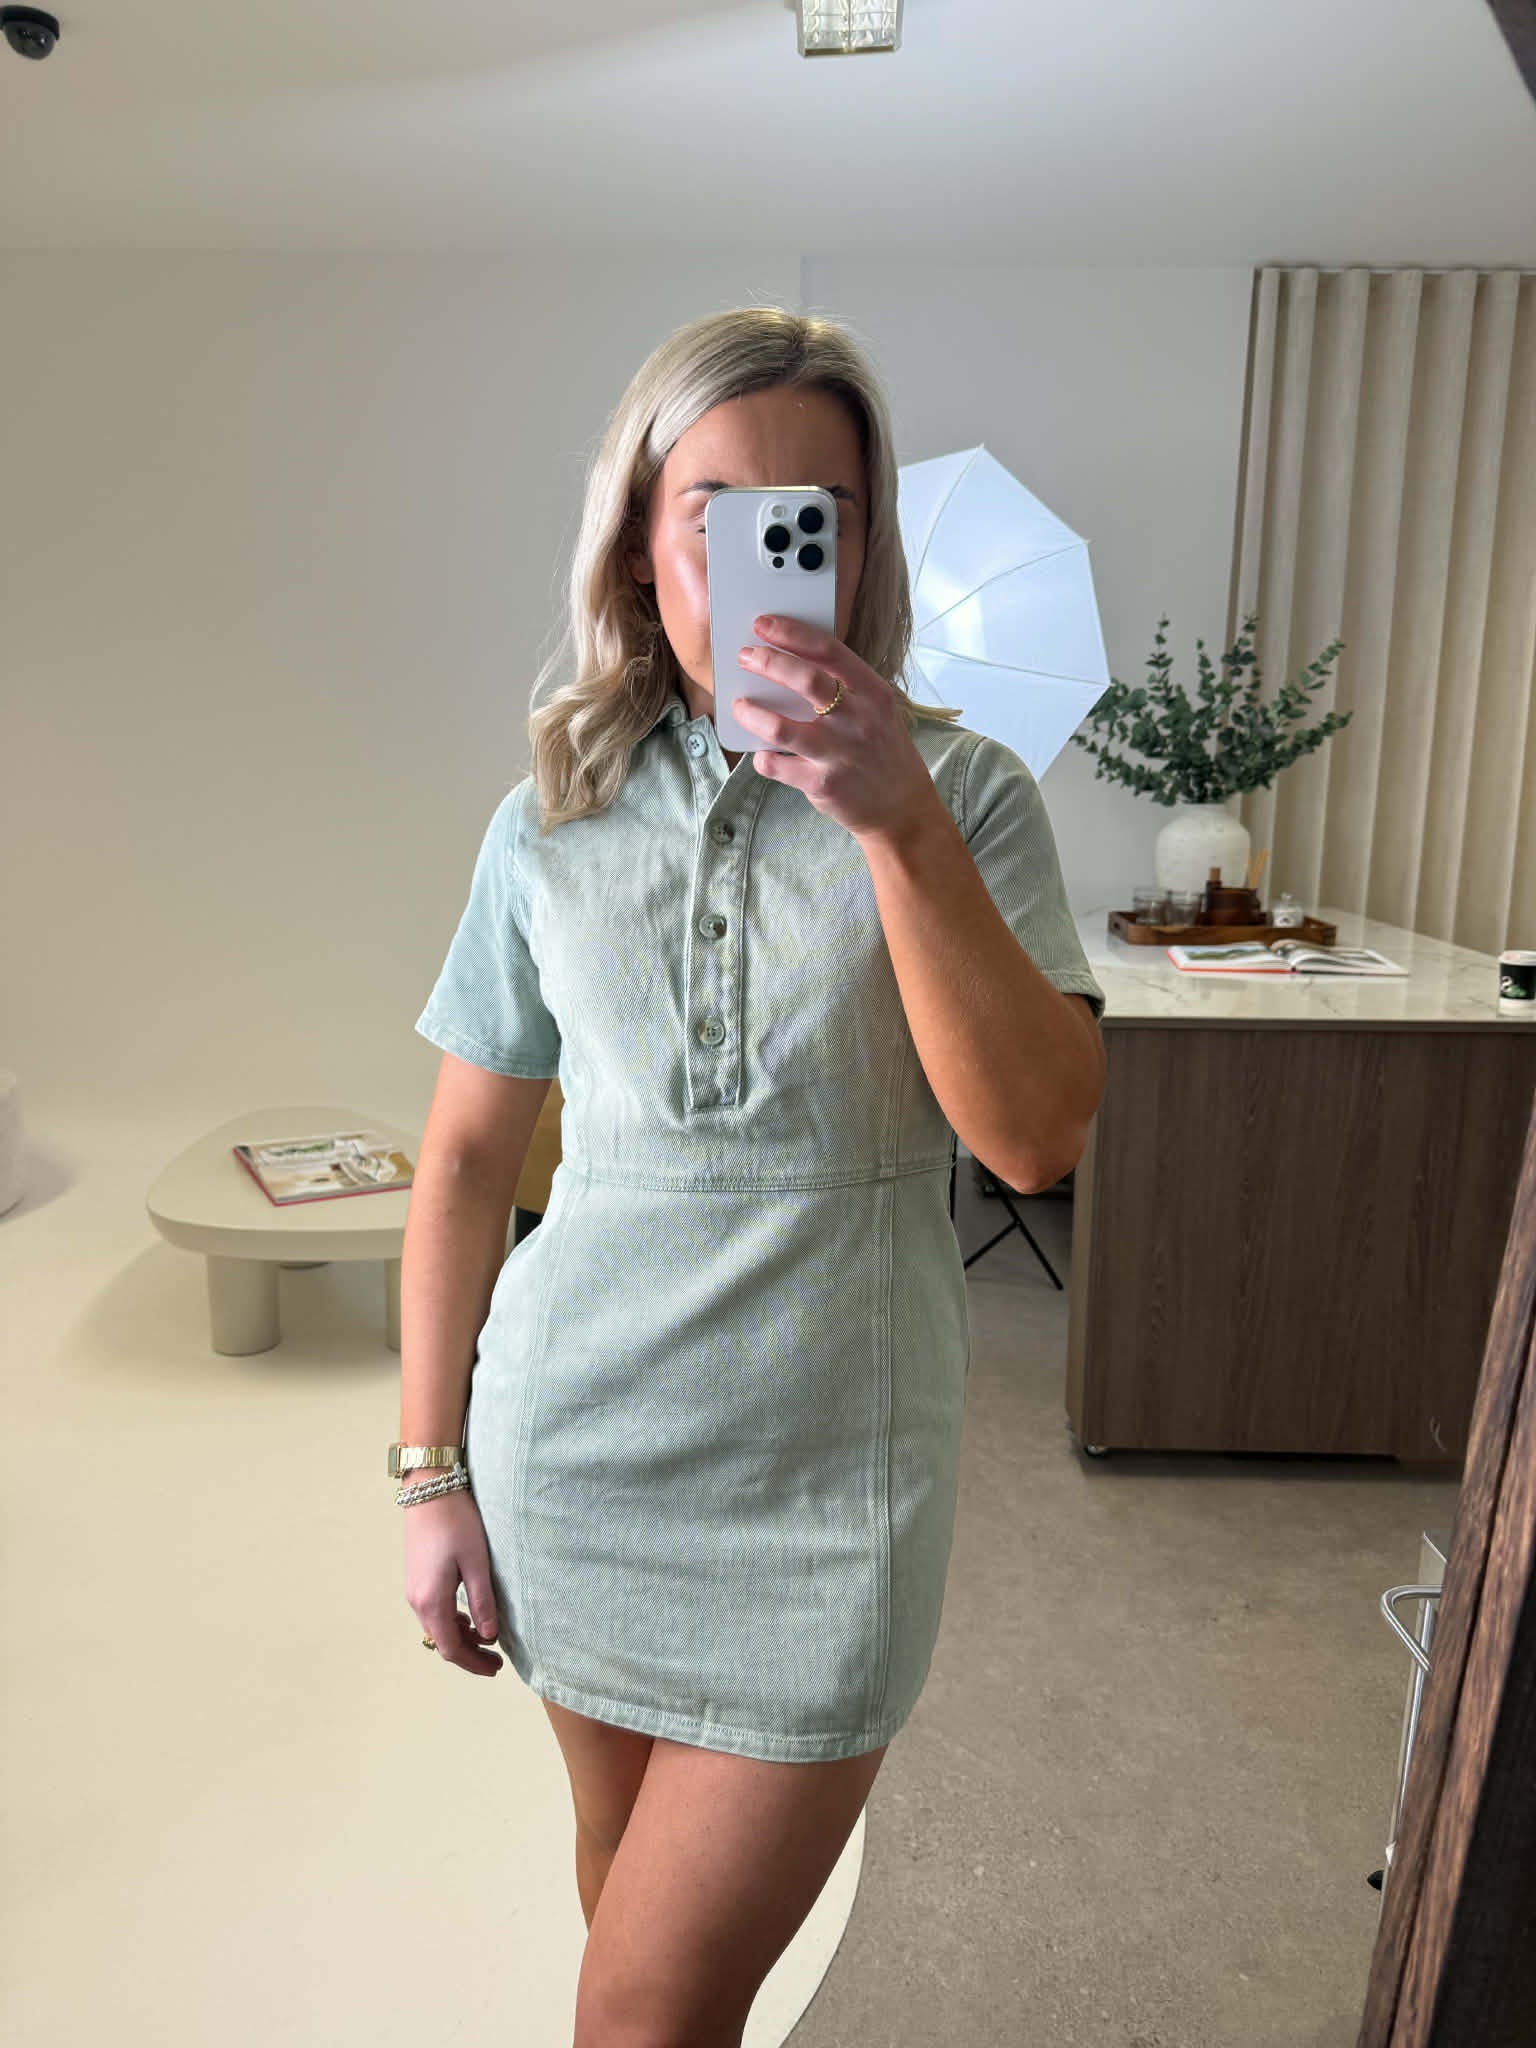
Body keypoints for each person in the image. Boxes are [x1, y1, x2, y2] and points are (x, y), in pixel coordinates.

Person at [397, 305, 1107, 2047]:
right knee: (627, 1911)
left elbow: (1035, 1140)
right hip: (576, 1458)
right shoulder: (550, 813)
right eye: (713, 510)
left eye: (816, 516)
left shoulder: (966, 796)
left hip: (826, 1495)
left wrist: (894, 823)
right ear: (644, 548)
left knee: (640, 2006)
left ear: (862, 552)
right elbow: (469, 1156)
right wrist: (429, 1467)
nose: (765, 556)